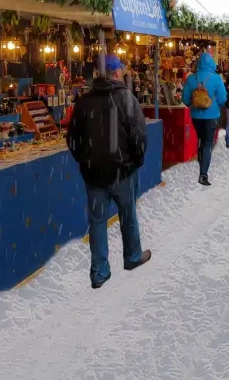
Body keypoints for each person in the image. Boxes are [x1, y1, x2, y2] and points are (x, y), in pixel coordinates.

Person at [67, 54, 152, 289]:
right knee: (128, 215)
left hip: (94, 173)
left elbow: (72, 139)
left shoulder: (84, 101)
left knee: (97, 222)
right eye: (122, 70)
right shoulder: (126, 98)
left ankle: (99, 272)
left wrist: (85, 161)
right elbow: (140, 136)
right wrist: (136, 161)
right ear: (116, 73)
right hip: (122, 171)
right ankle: (132, 257)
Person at [182, 51, 227, 186]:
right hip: (212, 116)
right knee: (207, 143)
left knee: (201, 139)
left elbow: (185, 99)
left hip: (196, 116)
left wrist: (195, 104)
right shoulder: (216, 78)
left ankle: (200, 158)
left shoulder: (191, 78)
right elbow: (222, 99)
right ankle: (203, 174)